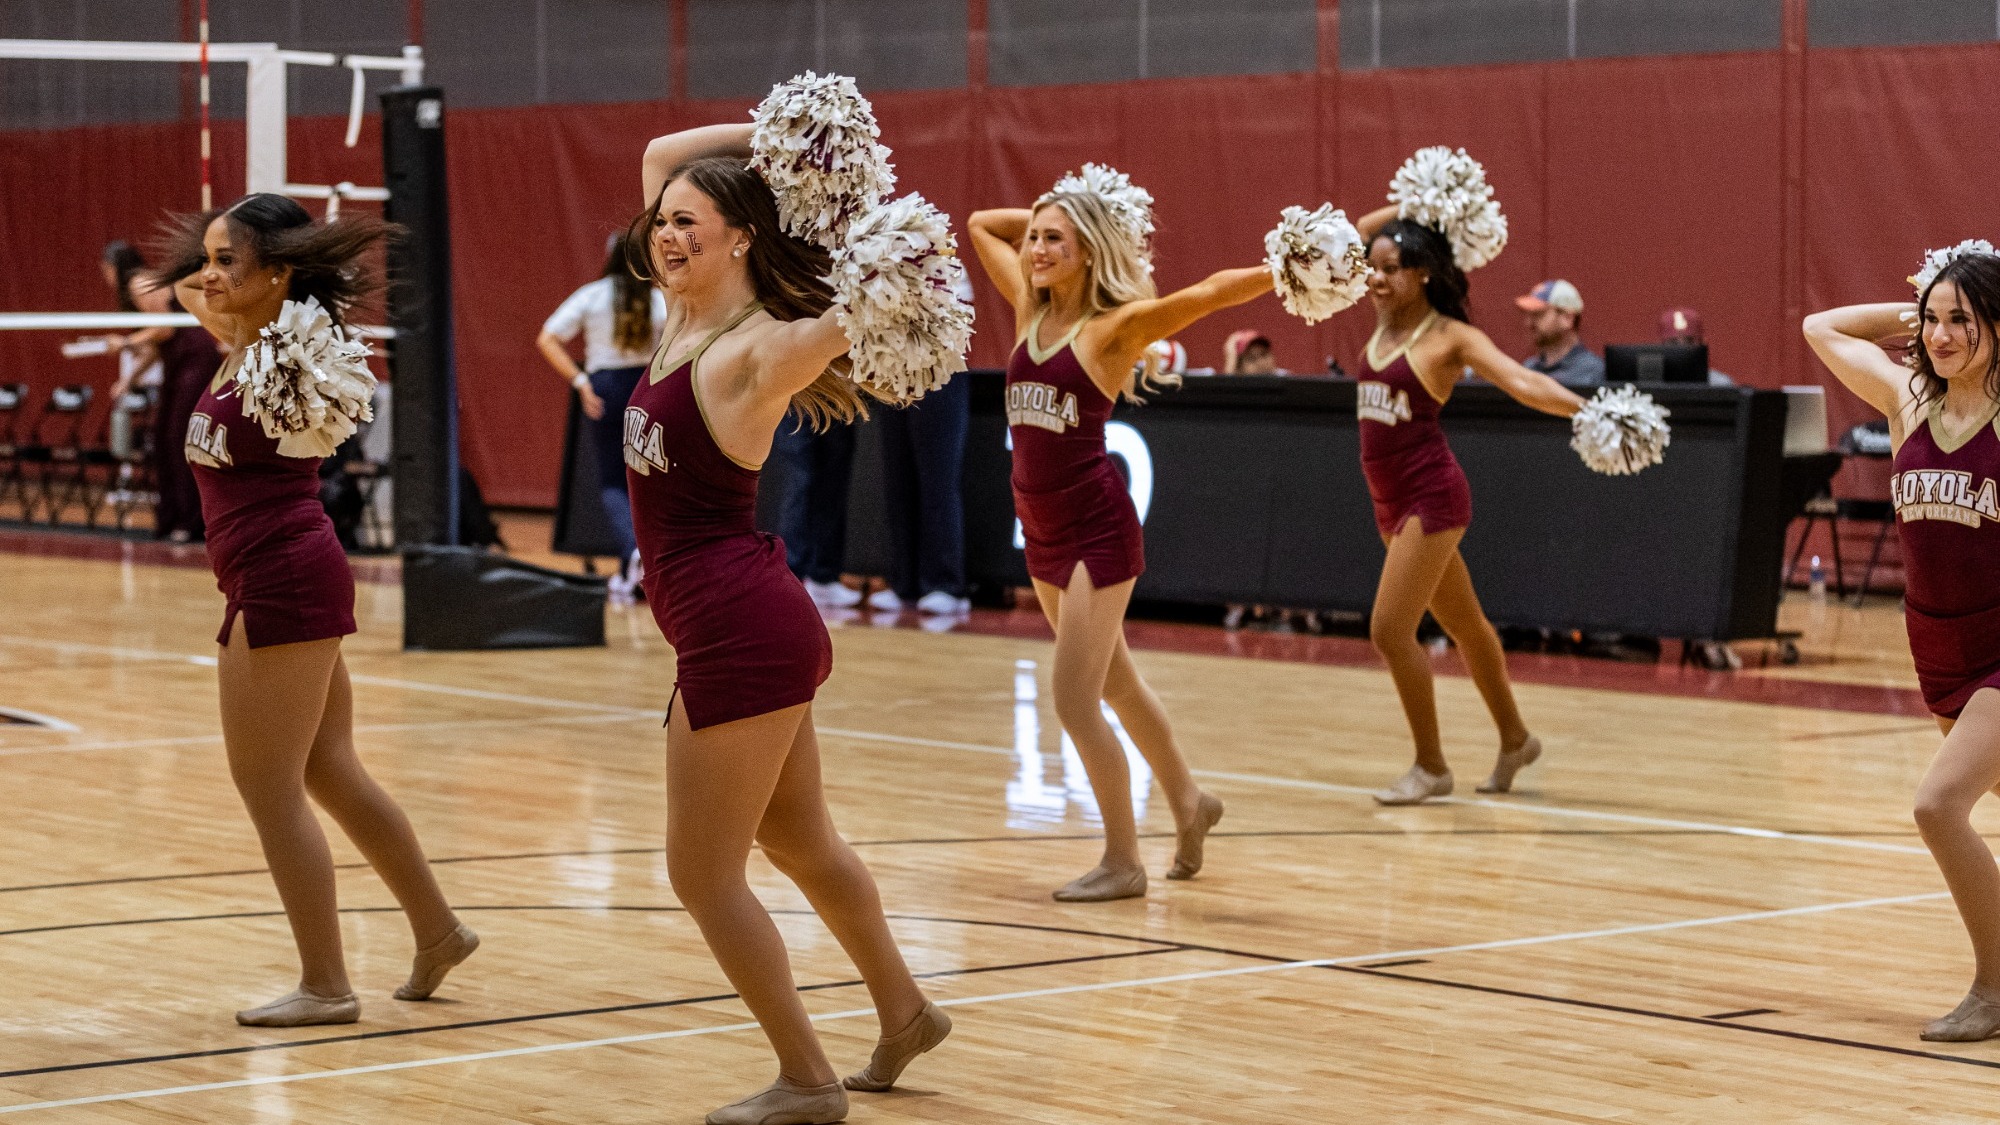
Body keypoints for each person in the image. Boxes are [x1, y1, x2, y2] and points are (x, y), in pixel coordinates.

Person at [625, 123, 950, 1124]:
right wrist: (791, 130)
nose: (665, 235)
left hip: (738, 629)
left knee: (701, 875)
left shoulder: (759, 350)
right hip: (744, 618)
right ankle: (903, 1011)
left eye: (687, 224)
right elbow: (657, 154)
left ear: (740, 242)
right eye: (662, 222)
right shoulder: (673, 312)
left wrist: (889, 251)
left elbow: (867, 308)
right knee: (803, 842)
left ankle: (806, 1080)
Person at [155, 193, 476, 1027]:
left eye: (231, 260)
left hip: (281, 581)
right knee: (331, 767)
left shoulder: (286, 358)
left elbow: (213, 300)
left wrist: (240, 274)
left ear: (280, 273)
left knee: (270, 785)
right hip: (286, 574)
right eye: (211, 256)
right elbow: (189, 288)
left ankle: (327, 982)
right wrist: (222, 256)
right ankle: (438, 929)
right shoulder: (240, 342)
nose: (210, 274)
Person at [965, 175, 1243, 903]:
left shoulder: (1112, 330)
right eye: (1035, 238)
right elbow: (977, 225)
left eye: (1055, 238)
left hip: (1096, 528)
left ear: (1087, 252)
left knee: (1074, 698)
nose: (1034, 247)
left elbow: (1209, 293)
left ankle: (1123, 858)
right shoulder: (1029, 308)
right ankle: (1189, 800)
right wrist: (1055, 209)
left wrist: (1288, 267)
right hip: (1043, 530)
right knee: (1116, 682)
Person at [1803, 248, 2000, 1042]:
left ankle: (1993, 986)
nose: (1943, 335)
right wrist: (1918, 305)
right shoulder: (1907, 396)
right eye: (1936, 320)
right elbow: (1822, 327)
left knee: (1937, 805)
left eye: (1963, 319)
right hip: (1938, 648)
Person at [1335, 209, 1586, 805]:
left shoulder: (1451, 336)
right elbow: (1349, 234)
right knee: (1467, 627)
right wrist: (1409, 202)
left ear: (1422, 274)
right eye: (1373, 269)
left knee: (1390, 629)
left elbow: (1523, 384)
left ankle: (1430, 766)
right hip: (1388, 502)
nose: (1376, 279)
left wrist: (1588, 410)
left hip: (1432, 496)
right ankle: (1516, 739)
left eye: (1391, 269)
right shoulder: (1379, 319)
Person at [536, 235, 667, 600]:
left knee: (613, 480)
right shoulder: (659, 299)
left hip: (605, 387)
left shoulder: (592, 295)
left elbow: (547, 338)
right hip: (647, 387)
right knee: (649, 478)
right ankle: (649, 561)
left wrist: (580, 382)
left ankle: (631, 554)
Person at [772, 410, 861, 608]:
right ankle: (790, 576)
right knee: (801, 478)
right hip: (796, 393)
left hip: (839, 389)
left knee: (834, 478)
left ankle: (824, 577)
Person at [1517, 279, 1604, 387]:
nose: (1529, 323)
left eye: (1538, 314)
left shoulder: (1593, 372)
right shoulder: (1528, 369)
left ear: (1567, 318)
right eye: (1528, 315)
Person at [1658, 306, 1736, 386]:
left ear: (1702, 344)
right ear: (1661, 346)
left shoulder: (1720, 384)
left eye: (1689, 341)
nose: (1682, 348)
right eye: (1673, 342)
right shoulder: (1651, 383)